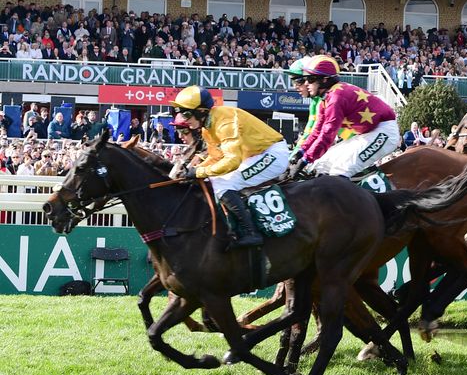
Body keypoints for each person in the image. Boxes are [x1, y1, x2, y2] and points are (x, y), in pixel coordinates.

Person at [170, 85, 289, 248]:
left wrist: (200, 171)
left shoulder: (224, 121)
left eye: (187, 114)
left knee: (224, 182)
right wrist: (192, 171)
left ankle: (251, 232)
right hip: (257, 155)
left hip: (273, 155)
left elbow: (232, 160)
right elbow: (216, 157)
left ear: (202, 111)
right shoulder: (207, 127)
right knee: (216, 178)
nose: (184, 119)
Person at [288, 55, 400, 179]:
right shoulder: (324, 99)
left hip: (385, 131)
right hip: (367, 133)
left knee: (340, 170)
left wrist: (304, 161)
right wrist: (300, 153)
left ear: (324, 80)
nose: (307, 84)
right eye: (305, 79)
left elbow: (327, 135)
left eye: (311, 79)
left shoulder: (336, 98)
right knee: (321, 164)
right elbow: (317, 131)